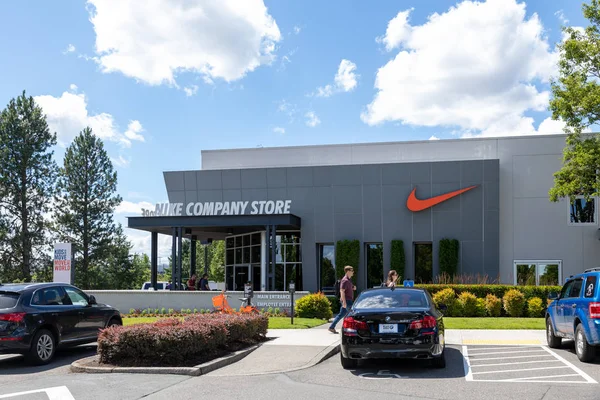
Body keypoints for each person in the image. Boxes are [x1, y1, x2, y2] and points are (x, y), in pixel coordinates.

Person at [328, 266, 356, 334]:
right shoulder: (345, 280)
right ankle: (350, 329)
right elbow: (342, 291)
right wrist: (344, 302)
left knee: (341, 315)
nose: (353, 272)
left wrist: (353, 287)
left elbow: (348, 288)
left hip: (348, 300)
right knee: (352, 315)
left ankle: (332, 327)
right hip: (347, 300)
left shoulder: (349, 280)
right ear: (348, 271)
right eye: (352, 271)